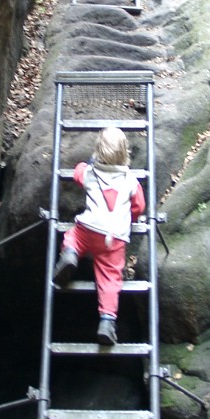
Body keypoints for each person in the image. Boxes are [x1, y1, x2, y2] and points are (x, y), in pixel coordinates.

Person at [54, 126, 145, 345]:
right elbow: (139, 207)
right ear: (125, 153)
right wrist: (128, 218)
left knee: (72, 237)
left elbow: (77, 172)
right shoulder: (131, 181)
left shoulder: (90, 174)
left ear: (98, 151)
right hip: (113, 238)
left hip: (89, 230)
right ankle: (106, 321)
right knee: (110, 278)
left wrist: (87, 163)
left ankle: (70, 254)